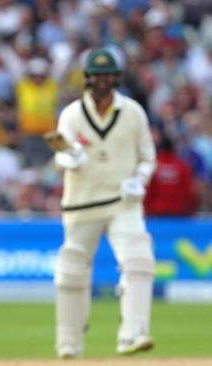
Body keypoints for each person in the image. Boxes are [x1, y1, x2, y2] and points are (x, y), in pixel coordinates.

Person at [50, 48, 157, 358]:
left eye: (107, 75)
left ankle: (133, 335)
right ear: (87, 78)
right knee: (71, 271)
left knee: (139, 259)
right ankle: (68, 343)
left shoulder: (133, 112)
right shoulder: (71, 114)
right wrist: (70, 158)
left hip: (122, 203)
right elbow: (59, 153)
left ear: (116, 78)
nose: (101, 81)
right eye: (97, 75)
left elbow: (148, 157)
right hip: (81, 205)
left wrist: (140, 178)